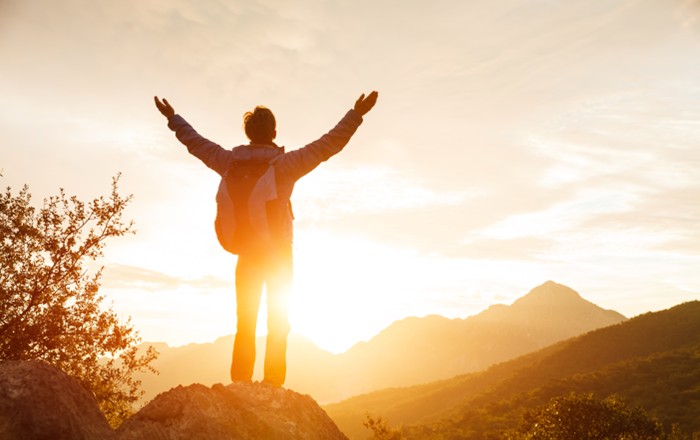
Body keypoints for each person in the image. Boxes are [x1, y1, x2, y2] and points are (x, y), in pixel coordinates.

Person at [154, 91, 378, 387]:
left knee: (245, 324)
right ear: (274, 133)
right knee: (278, 324)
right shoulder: (285, 165)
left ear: (247, 134)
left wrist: (172, 118)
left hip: (245, 254)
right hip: (278, 257)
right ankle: (272, 388)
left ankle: (240, 386)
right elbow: (328, 144)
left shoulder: (229, 162)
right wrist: (356, 114)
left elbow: (195, 143)